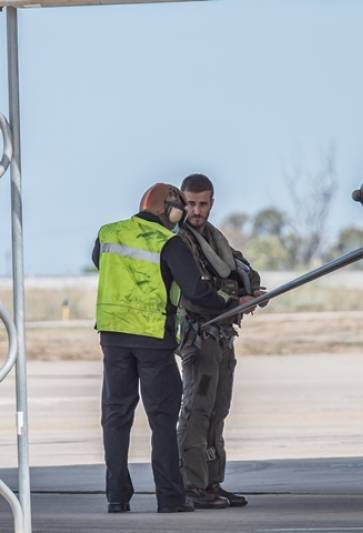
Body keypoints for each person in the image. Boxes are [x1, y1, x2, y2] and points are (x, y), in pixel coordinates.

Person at [93, 183, 240, 514]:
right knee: (162, 420)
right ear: (170, 211)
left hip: (113, 338)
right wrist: (231, 303)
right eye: (180, 211)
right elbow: (197, 291)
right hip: (152, 340)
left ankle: (117, 497)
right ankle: (170, 497)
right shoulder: (168, 242)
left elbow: (102, 265)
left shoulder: (108, 233)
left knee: (115, 416)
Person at [176, 173, 263, 509]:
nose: (196, 211)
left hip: (222, 335)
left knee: (218, 410)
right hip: (199, 337)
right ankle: (192, 485)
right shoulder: (179, 242)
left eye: (202, 204)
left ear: (212, 203)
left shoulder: (214, 239)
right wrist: (235, 299)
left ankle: (212, 482)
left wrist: (249, 293)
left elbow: (242, 270)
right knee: (196, 410)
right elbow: (196, 292)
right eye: (190, 204)